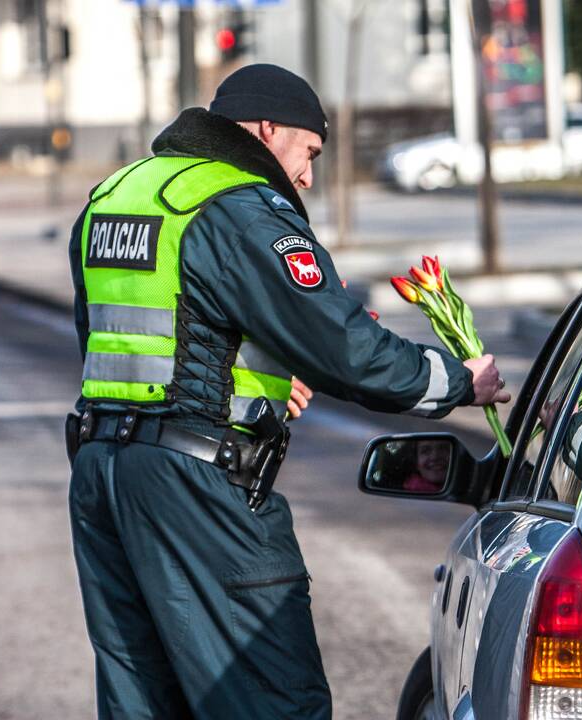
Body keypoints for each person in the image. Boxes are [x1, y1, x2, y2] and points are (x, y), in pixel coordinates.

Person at [65, 63, 510, 719]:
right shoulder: (238, 206)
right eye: (309, 153)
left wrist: (252, 380)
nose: (305, 177)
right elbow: (344, 347)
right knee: (274, 698)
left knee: (144, 701)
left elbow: (123, 343)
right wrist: (456, 381)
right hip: (199, 487)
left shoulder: (116, 194)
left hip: (102, 475)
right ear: (268, 127)